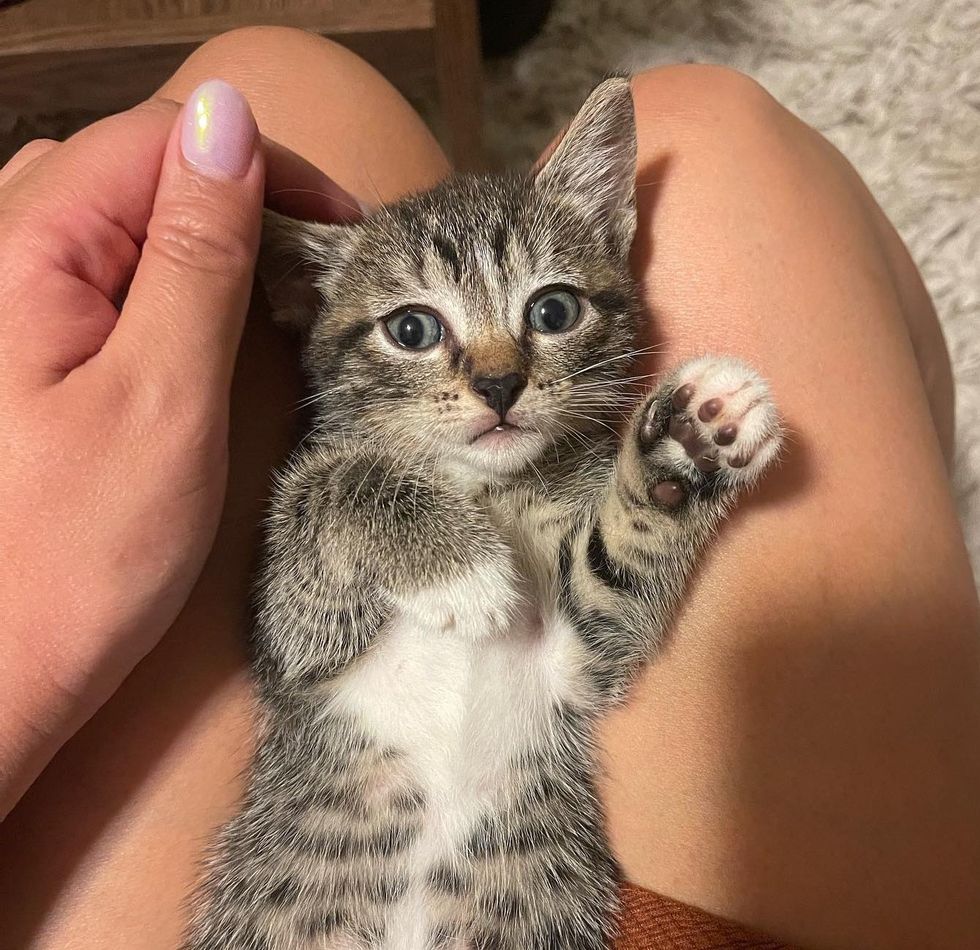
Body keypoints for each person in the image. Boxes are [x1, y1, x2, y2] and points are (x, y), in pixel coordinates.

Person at [1, 26, 977, 950]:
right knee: (720, 124)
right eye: (417, 330)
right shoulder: (338, 487)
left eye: (548, 310)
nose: (497, 371)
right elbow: (305, 642)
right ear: (304, 303)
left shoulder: (563, 471)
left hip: (508, 895)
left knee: (283, 72)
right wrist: (378, 513)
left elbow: (587, 660)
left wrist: (650, 493)